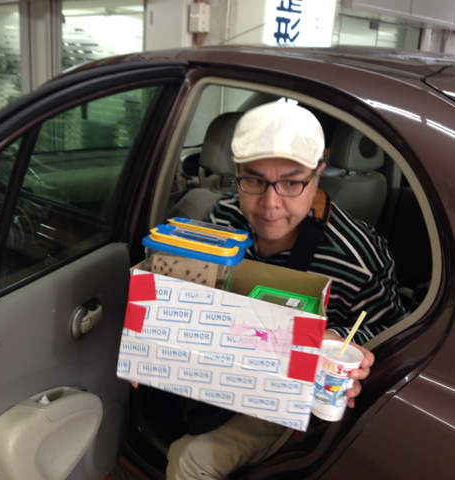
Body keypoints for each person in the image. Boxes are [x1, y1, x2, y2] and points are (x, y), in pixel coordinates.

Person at [166, 102, 408, 479]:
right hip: (232, 365)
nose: (270, 204)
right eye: (254, 180)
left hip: (293, 391)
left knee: (188, 460)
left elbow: (392, 330)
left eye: (292, 183)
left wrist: (340, 341)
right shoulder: (222, 218)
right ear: (237, 172)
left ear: (317, 176)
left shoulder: (355, 257)